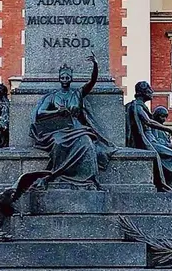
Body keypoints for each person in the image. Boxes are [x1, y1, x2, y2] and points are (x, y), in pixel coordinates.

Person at [31, 56, 114, 186]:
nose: (65, 80)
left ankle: (87, 177)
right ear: (59, 79)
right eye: (62, 77)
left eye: (67, 77)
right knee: (58, 143)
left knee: (87, 142)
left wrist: (96, 65)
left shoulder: (78, 93)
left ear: (71, 79)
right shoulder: (52, 96)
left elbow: (92, 81)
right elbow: (40, 113)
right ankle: (56, 174)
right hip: (58, 128)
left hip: (76, 127)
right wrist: (57, 112)